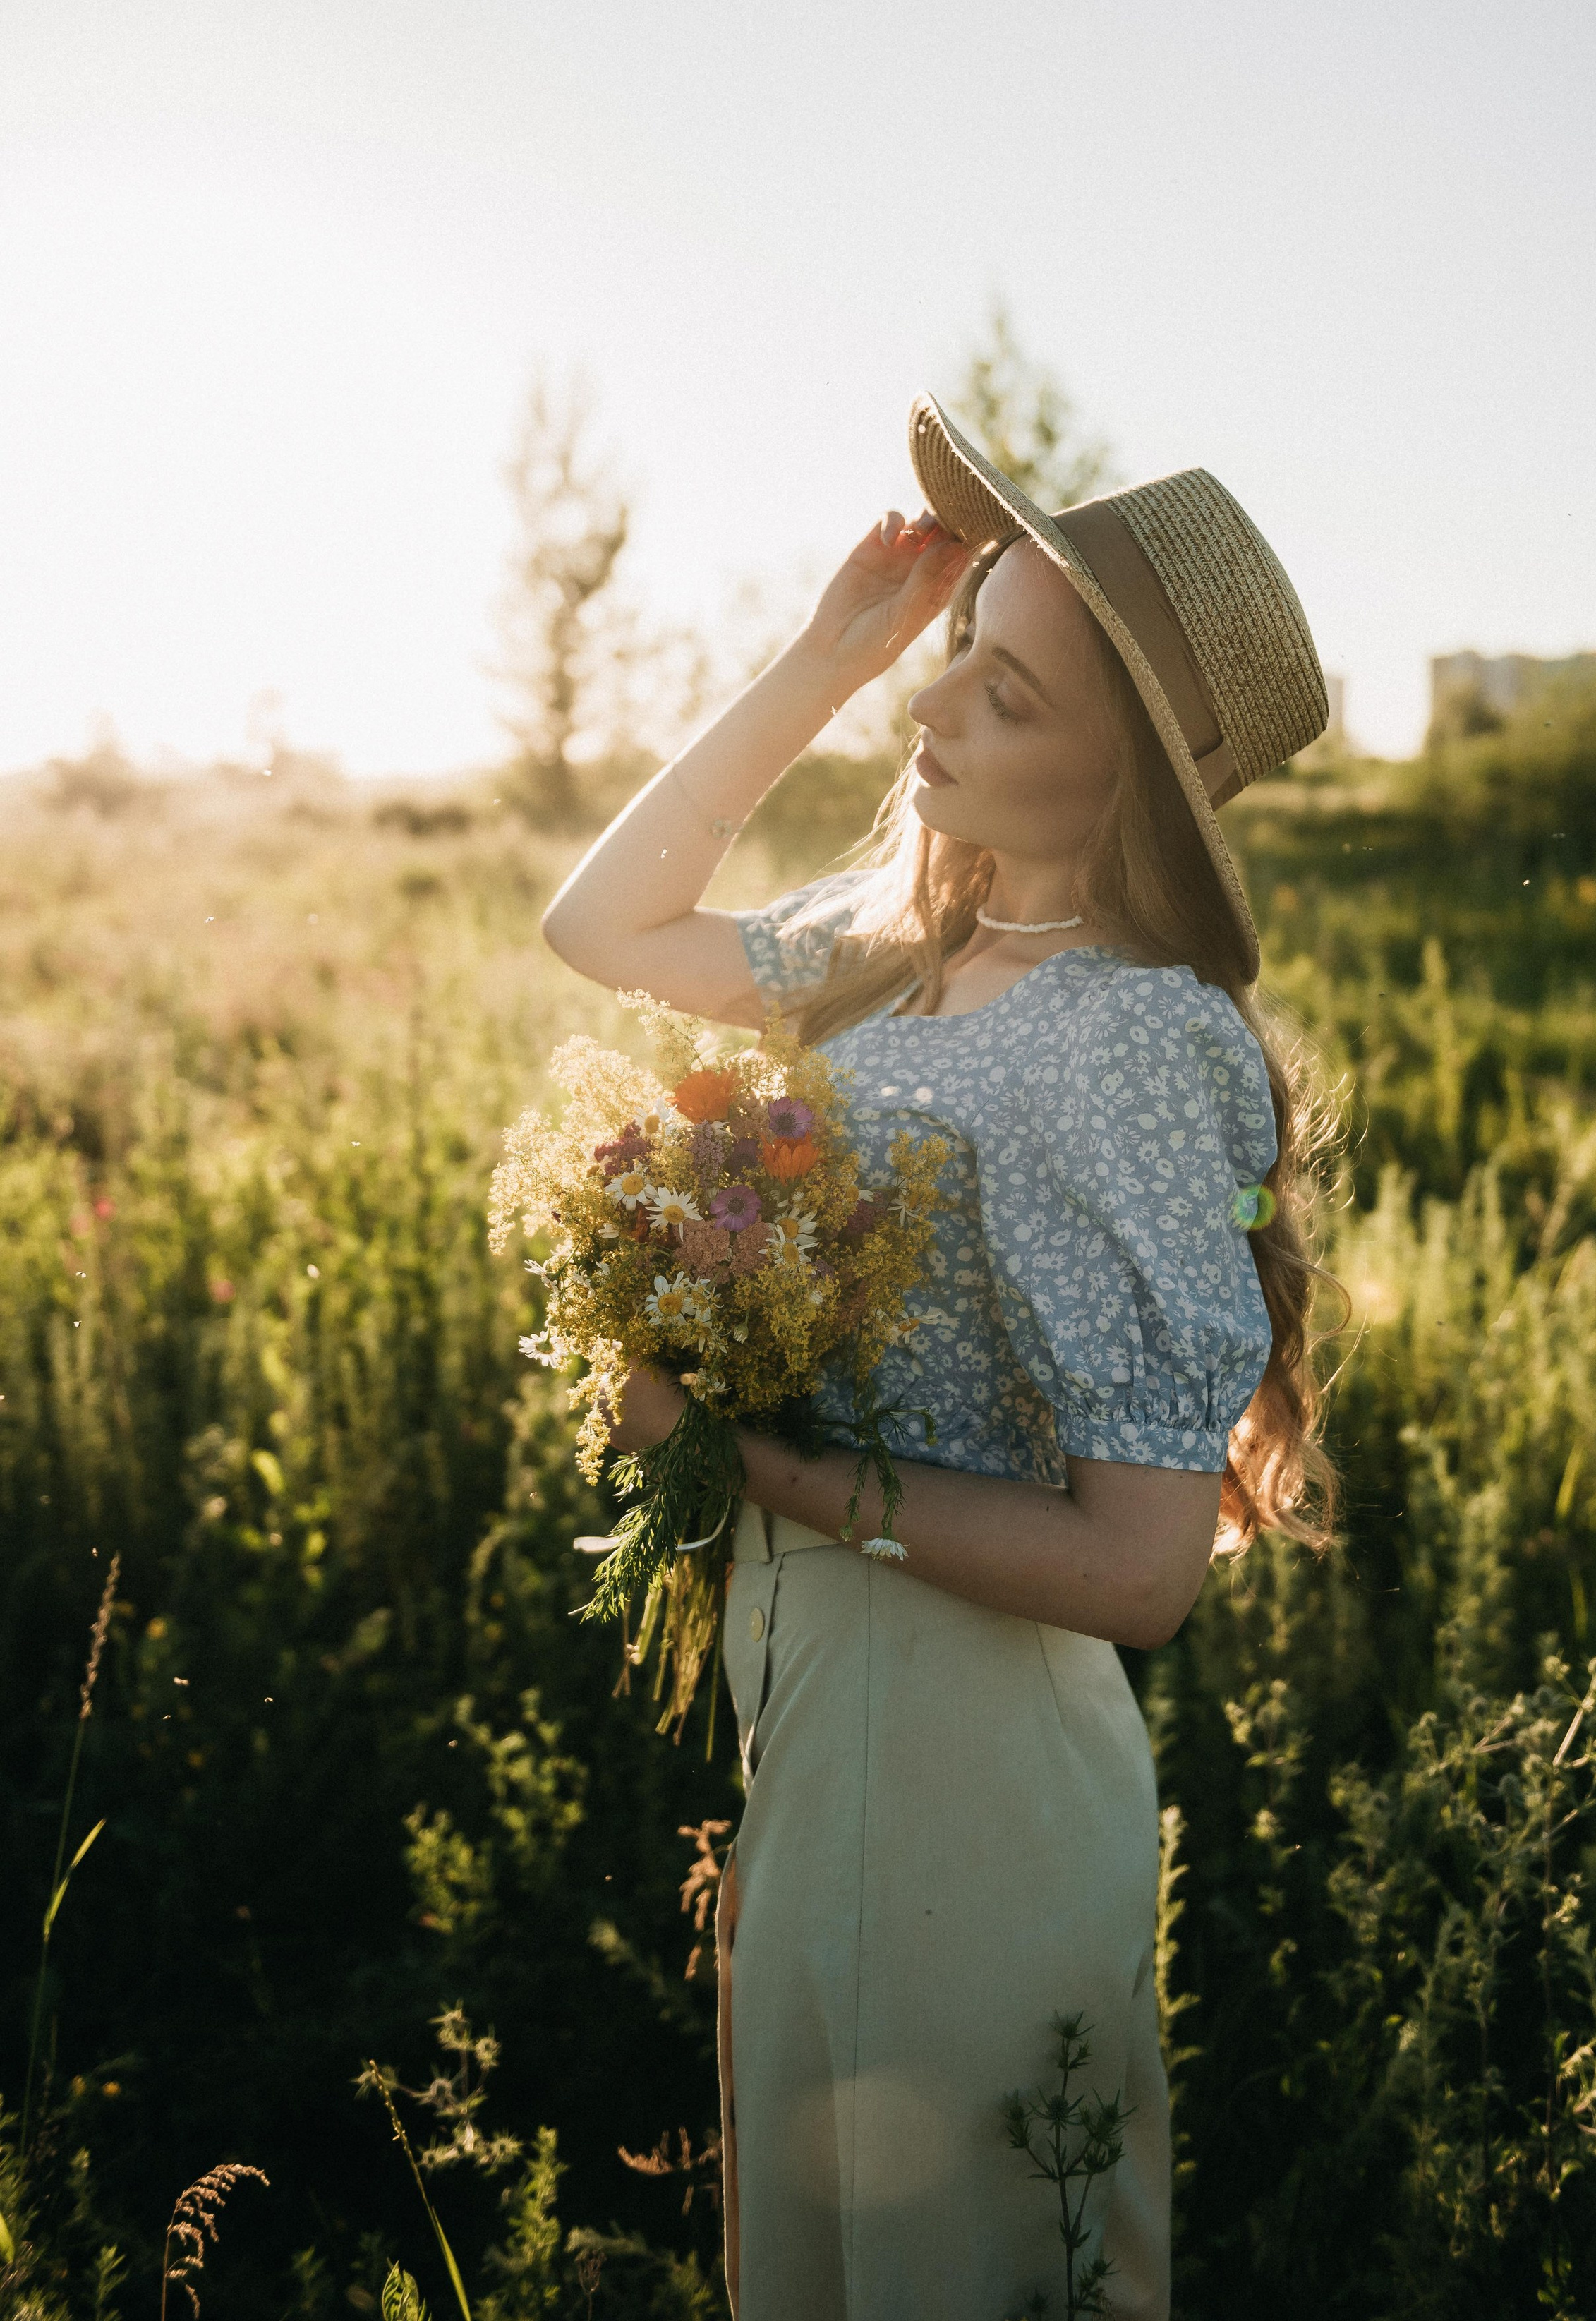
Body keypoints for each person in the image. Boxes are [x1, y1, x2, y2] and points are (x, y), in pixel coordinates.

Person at [541, 392, 1340, 2319]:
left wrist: (749, 1465)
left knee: (955, 2266)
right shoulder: (912, 942)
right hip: (817, 1710)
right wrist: (836, 650)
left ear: (1133, 782)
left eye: (1007, 697)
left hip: (973, 1755)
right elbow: (602, 918)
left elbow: (1145, 1570)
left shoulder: (1135, 1038)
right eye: (963, 655)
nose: (938, 714)